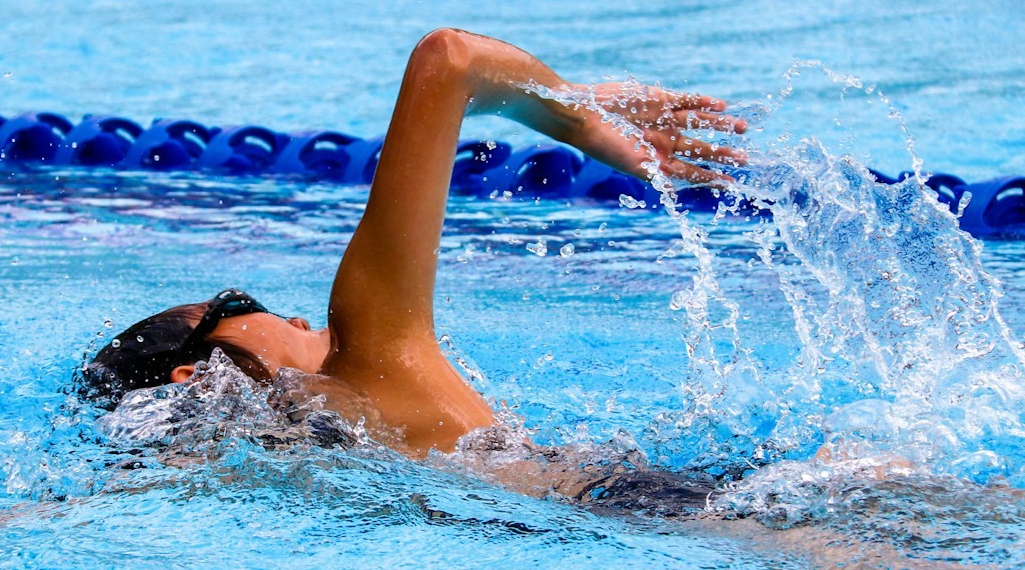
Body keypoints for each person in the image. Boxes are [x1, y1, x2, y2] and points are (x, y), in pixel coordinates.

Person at [82, 29, 746, 512]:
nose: (296, 316)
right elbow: (448, 60)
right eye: (240, 306)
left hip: (646, 513)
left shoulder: (313, 473)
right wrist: (581, 119)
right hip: (665, 507)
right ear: (195, 374)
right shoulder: (364, 352)